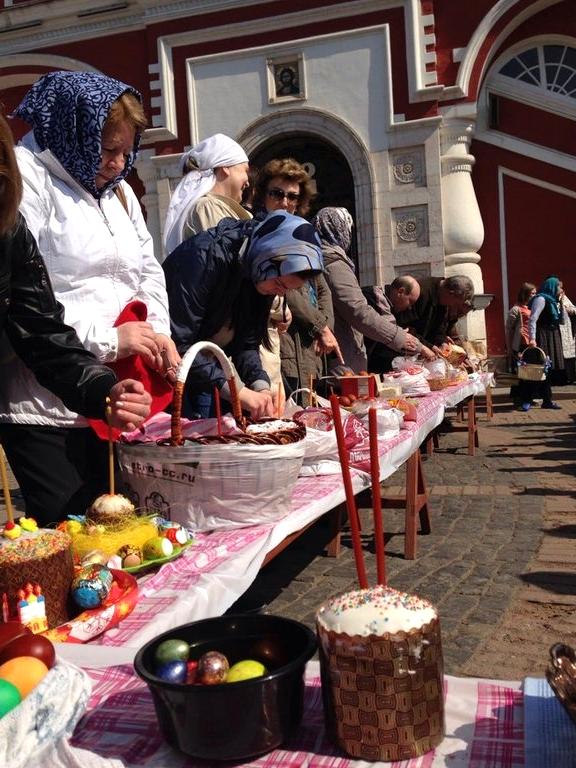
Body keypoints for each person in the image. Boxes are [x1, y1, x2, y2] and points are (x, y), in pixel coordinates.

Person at [0, 70, 177, 524]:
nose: (117, 163)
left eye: (125, 151)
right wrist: (110, 340)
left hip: (110, 391)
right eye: (106, 149)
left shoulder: (121, 196)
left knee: (118, 526)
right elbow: (29, 306)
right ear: (70, 131)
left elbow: (146, 271)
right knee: (72, 530)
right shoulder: (28, 182)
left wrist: (156, 331)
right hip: (43, 403)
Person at [164, 210, 324, 419]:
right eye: (279, 283)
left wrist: (260, 386)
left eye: (286, 289)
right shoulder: (204, 257)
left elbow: (246, 342)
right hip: (165, 375)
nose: (280, 293)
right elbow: (179, 342)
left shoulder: (259, 272)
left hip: (204, 371)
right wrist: (238, 391)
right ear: (267, 259)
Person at [253, 159, 340, 396]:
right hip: (284, 347)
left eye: (292, 197)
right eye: (277, 194)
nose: (284, 202)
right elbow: (284, 287)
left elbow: (322, 288)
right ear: (263, 195)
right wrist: (320, 327)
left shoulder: (303, 231)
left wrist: (325, 328)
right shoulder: (260, 233)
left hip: (310, 347)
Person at [312, 207, 425, 373]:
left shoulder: (318, 258)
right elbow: (358, 310)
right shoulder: (334, 264)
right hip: (342, 360)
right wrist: (399, 337)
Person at [163, 133, 250, 256]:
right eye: (245, 170)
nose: (248, 182)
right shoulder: (207, 207)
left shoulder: (211, 206)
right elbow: (228, 259)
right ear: (225, 167)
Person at [363, 277, 435, 371]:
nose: (410, 308)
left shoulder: (392, 306)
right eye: (410, 302)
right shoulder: (376, 298)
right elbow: (391, 333)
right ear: (400, 292)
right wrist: (422, 348)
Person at [396, 274, 475, 350]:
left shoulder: (443, 299)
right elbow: (405, 327)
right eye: (456, 304)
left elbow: (438, 328)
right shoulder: (419, 292)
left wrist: (442, 341)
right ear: (451, 294)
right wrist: (428, 347)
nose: (453, 306)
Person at [526, 276, 564, 408]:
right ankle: (528, 399)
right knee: (539, 368)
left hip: (552, 335)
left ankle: (547, 400)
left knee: (547, 369)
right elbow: (533, 319)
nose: (561, 289)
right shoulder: (541, 299)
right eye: (559, 287)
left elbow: (561, 320)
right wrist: (532, 338)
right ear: (552, 287)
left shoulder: (553, 301)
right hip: (543, 336)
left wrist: (561, 302)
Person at [505, 282, 536, 374]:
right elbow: (508, 329)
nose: (535, 296)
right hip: (521, 343)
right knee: (521, 370)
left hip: (531, 342)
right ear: (525, 294)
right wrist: (509, 348)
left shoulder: (532, 307)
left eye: (535, 293)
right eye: (532, 293)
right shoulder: (516, 309)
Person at [558, 287, 576, 385]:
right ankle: (564, 377)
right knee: (561, 355)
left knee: (570, 354)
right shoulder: (551, 299)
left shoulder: (564, 298)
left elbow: (572, 308)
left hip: (567, 329)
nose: (562, 293)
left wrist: (571, 310)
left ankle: (571, 376)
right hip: (557, 330)